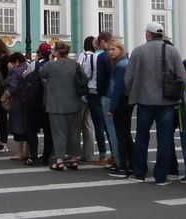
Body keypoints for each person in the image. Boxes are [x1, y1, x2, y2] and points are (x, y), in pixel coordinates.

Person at [125, 22, 185, 184]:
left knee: (142, 136)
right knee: (164, 138)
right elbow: (182, 78)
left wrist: (133, 92)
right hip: (166, 102)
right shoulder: (172, 50)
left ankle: (139, 173)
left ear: (149, 34)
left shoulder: (138, 51)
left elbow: (128, 78)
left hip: (144, 101)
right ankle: (161, 176)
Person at [43, 41, 87, 169]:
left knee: (59, 133)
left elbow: (41, 74)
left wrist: (51, 60)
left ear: (56, 52)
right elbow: (85, 79)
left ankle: (60, 160)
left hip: (55, 104)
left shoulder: (50, 66)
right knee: (74, 132)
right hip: (74, 103)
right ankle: (74, 159)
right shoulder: (75, 64)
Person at [77, 34, 110, 165]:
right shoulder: (110, 56)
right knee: (97, 124)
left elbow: (83, 74)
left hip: (91, 91)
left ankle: (101, 155)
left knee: (94, 124)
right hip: (105, 92)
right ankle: (105, 155)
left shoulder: (90, 57)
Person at [105, 39, 131, 177]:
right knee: (125, 134)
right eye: (109, 49)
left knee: (121, 135)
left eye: (113, 49)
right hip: (126, 100)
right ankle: (130, 164)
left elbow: (117, 88)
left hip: (121, 101)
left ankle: (123, 166)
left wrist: (111, 108)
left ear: (120, 49)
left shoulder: (120, 65)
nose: (110, 52)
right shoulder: (124, 62)